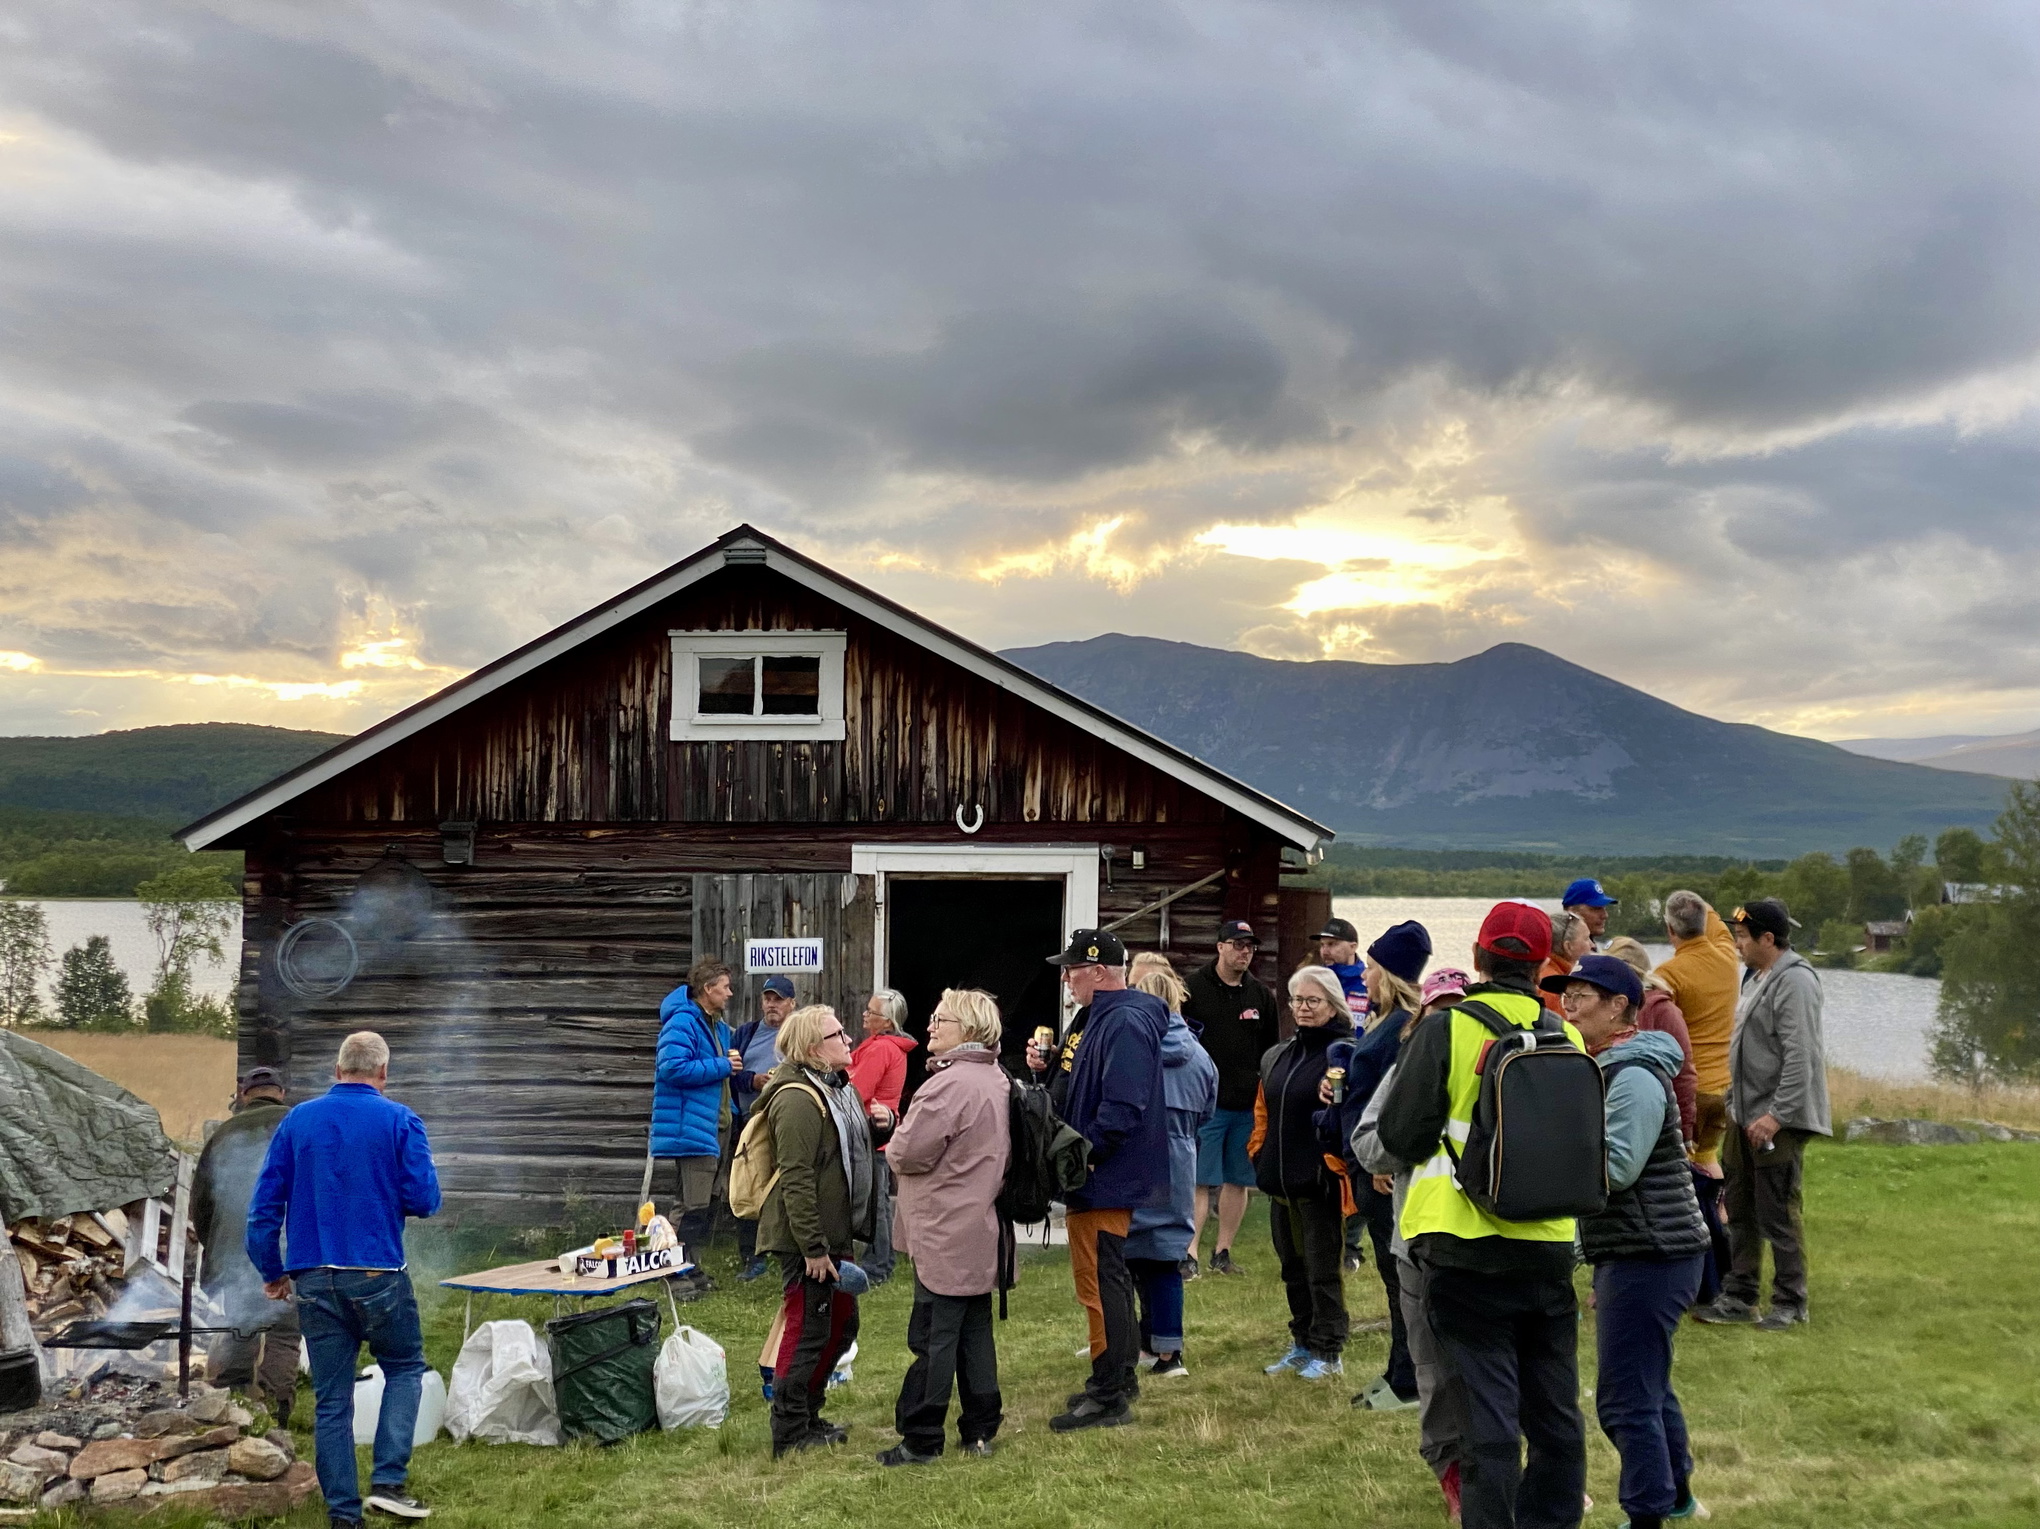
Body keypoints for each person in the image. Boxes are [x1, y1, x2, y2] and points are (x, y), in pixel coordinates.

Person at [1377, 902, 1588, 1529]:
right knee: (1554, 1413)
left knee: (1487, 1419)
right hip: (1548, 1245)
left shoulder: (1449, 1029)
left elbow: (1400, 1134)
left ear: (1478, 956)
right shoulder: (1566, 1035)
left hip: (1461, 1244)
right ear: (1542, 963)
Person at [247, 1032, 441, 1527]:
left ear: (337, 1071)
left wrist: (273, 1271)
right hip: (377, 1272)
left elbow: (263, 1210)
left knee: (332, 1400)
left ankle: (342, 1517)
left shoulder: (297, 1121)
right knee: (404, 1366)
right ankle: (388, 1483)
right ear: (382, 1074)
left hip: (312, 1276)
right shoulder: (400, 1120)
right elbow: (423, 1200)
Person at [1548, 953, 1711, 1529]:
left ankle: (1646, 1514)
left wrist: (1548, 1164)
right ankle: (1678, 1498)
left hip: (1653, 1254)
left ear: (1620, 1007)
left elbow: (1616, 1169)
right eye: (1565, 993)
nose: (1568, 1003)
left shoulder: (1634, 1075)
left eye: (1582, 994)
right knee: (1649, 1386)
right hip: (1645, 1249)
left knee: (1623, 1401)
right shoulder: (1610, 1067)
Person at [1031, 928, 1169, 1433]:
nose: (1065, 977)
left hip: (1105, 1176)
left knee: (1101, 1281)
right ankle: (1116, 1377)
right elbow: (1075, 1083)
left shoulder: (1125, 1020)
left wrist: (1087, 1156)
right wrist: (1046, 1071)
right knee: (1102, 1279)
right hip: (1096, 1174)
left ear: (1099, 971)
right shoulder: (1094, 1016)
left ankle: (1110, 1393)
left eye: (1072, 968)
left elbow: (1123, 1104)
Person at [755, 1004, 894, 1458]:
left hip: (836, 1234)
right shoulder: (795, 1097)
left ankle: (810, 1415)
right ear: (813, 1048)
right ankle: (790, 1431)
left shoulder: (838, 1087)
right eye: (838, 1035)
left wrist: (882, 1126)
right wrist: (813, 1249)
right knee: (809, 1329)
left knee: (841, 1324)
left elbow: (847, 1152)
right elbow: (796, 1177)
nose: (849, 1040)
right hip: (807, 1240)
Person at [880, 988, 1009, 1465]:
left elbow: (906, 1152)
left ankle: (921, 1438)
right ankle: (979, 1431)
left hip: (944, 1229)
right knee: (975, 1334)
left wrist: (892, 1139)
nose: (931, 1026)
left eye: (942, 1020)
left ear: (970, 1031)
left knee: (933, 1337)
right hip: (977, 1224)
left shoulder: (948, 1085)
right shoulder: (995, 1076)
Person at [1695, 899, 1831, 1331]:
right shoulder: (1757, 976)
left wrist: (1776, 1115)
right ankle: (1740, 1295)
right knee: (1739, 1205)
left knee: (1777, 1209)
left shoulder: (1796, 982)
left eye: (1742, 937)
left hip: (1777, 1119)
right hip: (1745, 1112)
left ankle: (1791, 1302)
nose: (1736, 944)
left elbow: (1801, 1056)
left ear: (1767, 939)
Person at [1353, 1020, 1467, 1523]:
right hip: (1435, 1240)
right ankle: (1458, 1476)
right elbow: (1369, 1142)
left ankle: (1499, 1475)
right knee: (1444, 1367)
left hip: (1444, 1240)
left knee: (1455, 1364)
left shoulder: (1435, 1065)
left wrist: (1412, 1141)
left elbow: (1378, 1145)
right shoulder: (1407, 1069)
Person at [1251, 964, 1357, 1382]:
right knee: (1292, 1269)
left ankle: (1329, 1352)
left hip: (1320, 1183)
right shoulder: (1278, 1053)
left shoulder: (1345, 1054)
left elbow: (1356, 1112)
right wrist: (1258, 1155)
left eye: (1313, 1001)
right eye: (1297, 1000)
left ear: (1333, 1006)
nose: (1303, 1008)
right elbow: (1262, 1111)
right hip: (1279, 1184)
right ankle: (1301, 1343)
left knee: (1322, 1271)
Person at [1343, 921, 1431, 1411]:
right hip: (1365, 1159)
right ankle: (1400, 1370)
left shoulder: (1403, 1027)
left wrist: (1387, 1157)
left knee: (1399, 1278)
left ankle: (1408, 1379)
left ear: (1390, 974)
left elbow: (1399, 1100)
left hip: (1380, 1167)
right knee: (1388, 1273)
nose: (1365, 977)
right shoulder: (1383, 1022)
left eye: (1372, 968)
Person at [1124, 961, 1218, 1378]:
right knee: (1166, 1259)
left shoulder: (1135, 1049)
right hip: (1180, 1160)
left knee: (1127, 1259)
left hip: (1136, 1159)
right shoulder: (1200, 1056)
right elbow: (1208, 1109)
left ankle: (1134, 1344)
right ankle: (1168, 1350)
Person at [191, 1066, 298, 1426]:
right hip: (287, 1249)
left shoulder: (223, 1133)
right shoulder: (299, 1125)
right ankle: (276, 1409)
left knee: (240, 1324)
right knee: (283, 1330)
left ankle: (233, 1401)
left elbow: (202, 1203)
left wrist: (216, 1249)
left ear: (243, 1094)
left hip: (233, 1251)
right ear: (281, 1092)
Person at [1184, 919, 1279, 1277]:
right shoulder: (1193, 988)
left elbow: (1271, 1049)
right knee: (1199, 1179)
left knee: (1237, 1179)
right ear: (1220, 947)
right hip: (1206, 1103)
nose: (1245, 952)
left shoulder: (1259, 995)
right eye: (1238, 945)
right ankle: (1189, 1253)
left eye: (1250, 946)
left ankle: (1222, 1251)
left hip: (1247, 1104)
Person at [649, 958, 738, 1266]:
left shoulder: (717, 1026)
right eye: (725, 987)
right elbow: (671, 1068)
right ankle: (676, 1271)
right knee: (691, 1205)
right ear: (707, 988)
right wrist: (723, 1065)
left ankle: (691, 1267)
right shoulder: (682, 1021)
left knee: (706, 1203)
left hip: (715, 1125)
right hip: (693, 1125)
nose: (729, 993)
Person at [1657, 890, 1739, 1171]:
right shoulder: (1729, 960)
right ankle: (1720, 1216)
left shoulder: (1667, 975)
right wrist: (1699, 904)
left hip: (1690, 1089)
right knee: (1707, 1157)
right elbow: (1718, 927)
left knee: (1681, 1168)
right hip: (1725, 1086)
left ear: (1670, 929)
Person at [727, 976, 798, 1280]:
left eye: (778, 999)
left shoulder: (799, 1033)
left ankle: (789, 1253)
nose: (772, 1004)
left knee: (789, 1186)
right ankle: (752, 1257)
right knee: (749, 1185)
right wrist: (753, 1080)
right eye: (768, 999)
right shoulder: (745, 1034)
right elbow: (730, 1073)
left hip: (788, 1121)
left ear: (792, 1004)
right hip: (750, 1121)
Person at [849, 989, 917, 1285]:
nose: (865, 1015)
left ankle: (878, 1265)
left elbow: (857, 1091)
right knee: (877, 1200)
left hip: (871, 1131)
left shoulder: (880, 1049)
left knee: (875, 1203)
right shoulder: (887, 1046)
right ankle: (881, 1260)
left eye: (871, 1012)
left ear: (887, 1022)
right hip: (881, 1131)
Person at [1603, 937, 1698, 1145]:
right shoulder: (1605, 1007)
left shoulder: (1662, 1009)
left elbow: (1683, 1072)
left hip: (1658, 1115)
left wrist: (1685, 1130)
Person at [1539, 910, 1592, 1015]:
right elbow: (1563, 1028)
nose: (1592, 945)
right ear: (1568, 946)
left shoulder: (1540, 971)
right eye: (1586, 939)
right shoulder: (1552, 985)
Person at [1561, 878, 1618, 945]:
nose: (1605, 915)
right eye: (1596, 908)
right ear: (1572, 912)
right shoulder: (1555, 950)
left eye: (1604, 908)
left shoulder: (1594, 948)